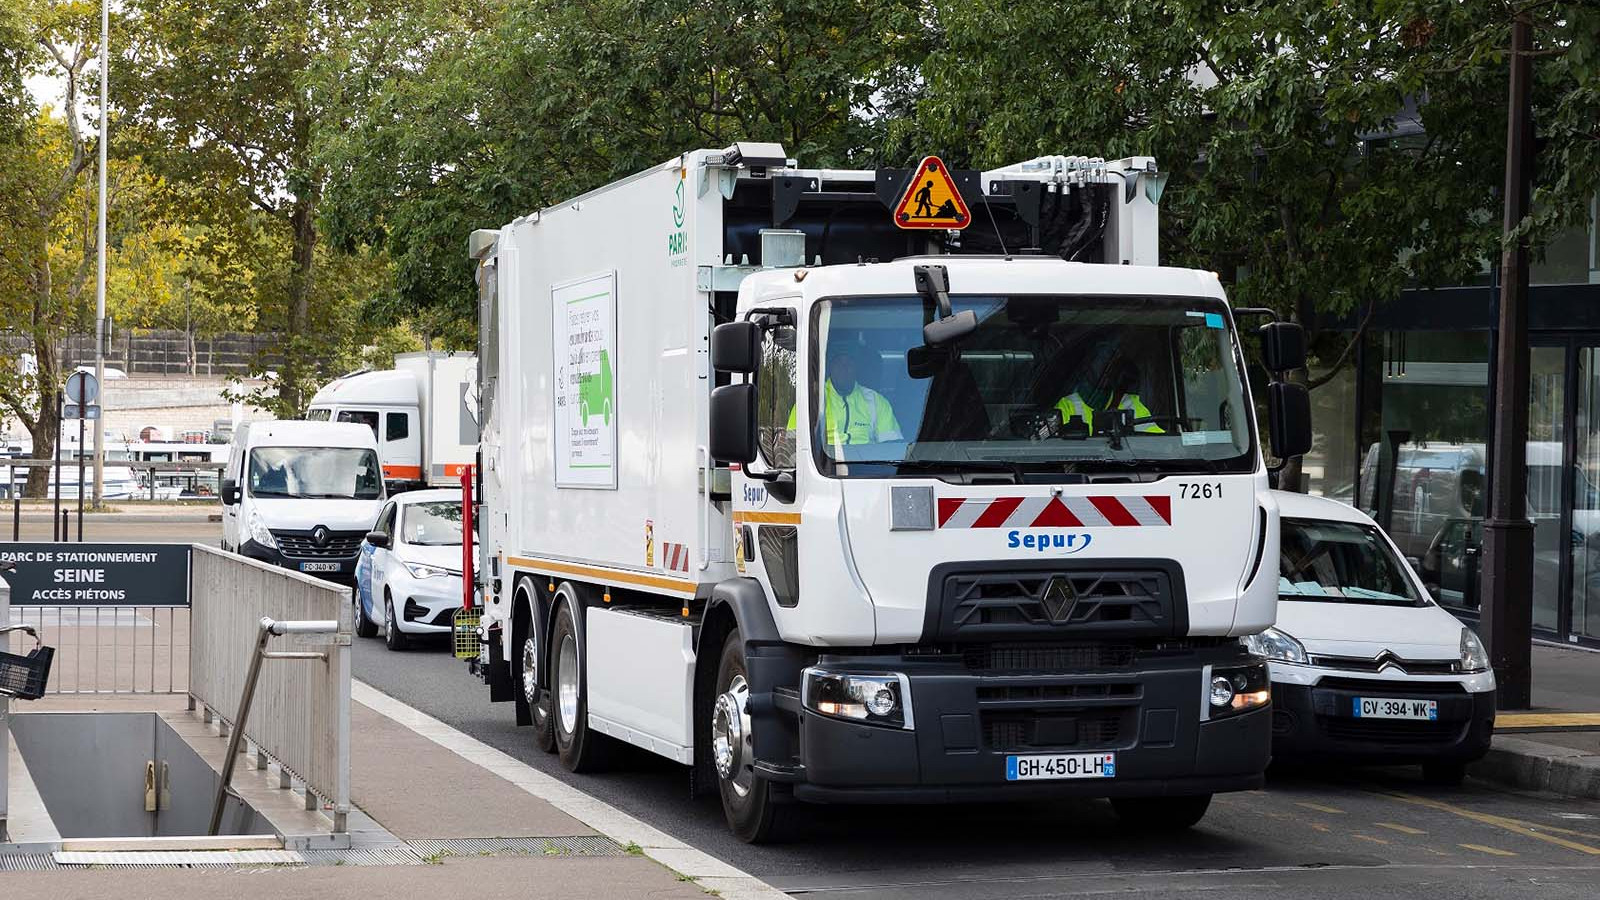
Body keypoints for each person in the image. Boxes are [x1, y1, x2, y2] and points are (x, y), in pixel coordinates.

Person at [789, 339, 903, 445]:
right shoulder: (811, 400)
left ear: (856, 368)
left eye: (849, 363)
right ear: (830, 367)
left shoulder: (876, 401)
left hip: (867, 465)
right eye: (839, 362)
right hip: (821, 465)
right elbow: (792, 446)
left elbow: (891, 446)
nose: (844, 368)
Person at [1055, 355, 1164, 435]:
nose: (1122, 389)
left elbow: (1156, 442)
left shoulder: (1132, 404)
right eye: (1119, 382)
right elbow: (1057, 447)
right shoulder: (1068, 405)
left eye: (1126, 384)